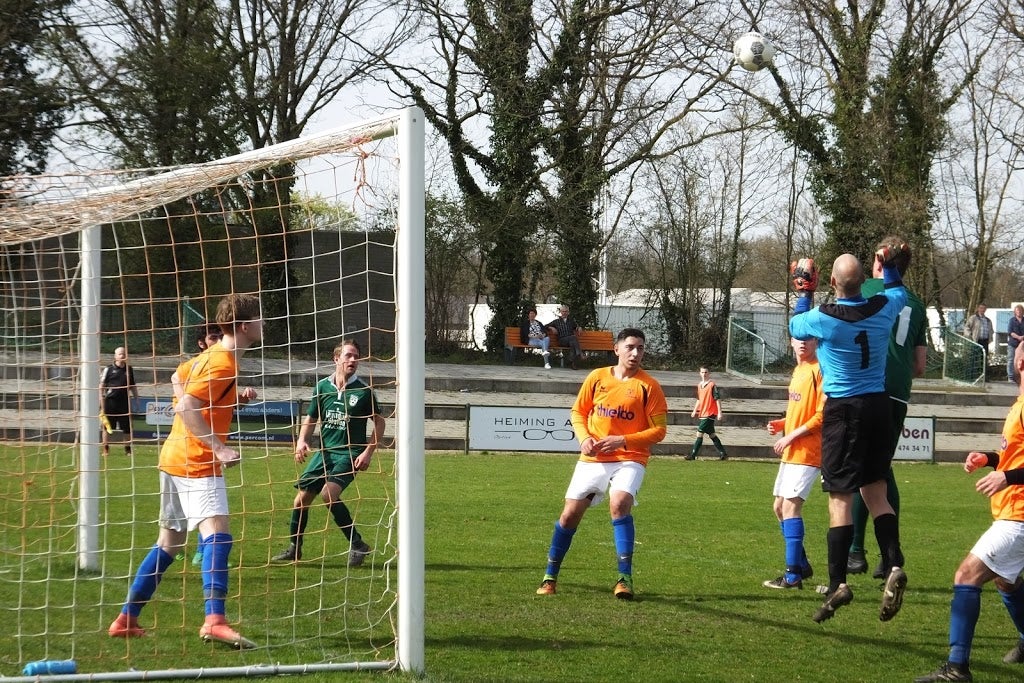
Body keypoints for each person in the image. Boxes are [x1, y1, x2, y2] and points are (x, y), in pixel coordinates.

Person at [107, 293, 262, 649]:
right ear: (244, 326)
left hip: (173, 458)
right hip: (196, 461)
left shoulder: (212, 357)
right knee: (218, 535)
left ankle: (125, 619)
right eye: (259, 318)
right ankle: (214, 621)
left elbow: (178, 379)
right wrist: (219, 447)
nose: (263, 323)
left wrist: (231, 399)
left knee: (169, 543)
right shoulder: (222, 362)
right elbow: (187, 405)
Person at [788, 248, 909, 624]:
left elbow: (796, 327)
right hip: (879, 406)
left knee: (840, 498)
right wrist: (890, 266)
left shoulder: (824, 317)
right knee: (876, 492)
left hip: (843, 410)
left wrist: (804, 290)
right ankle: (893, 563)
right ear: (864, 281)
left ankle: (838, 583)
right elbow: (898, 292)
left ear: (832, 282)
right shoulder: (883, 307)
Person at [915, 342, 1024, 683]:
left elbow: (1016, 469)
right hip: (1012, 511)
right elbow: (1016, 455)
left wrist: (1007, 477)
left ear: (1020, 363)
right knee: (1006, 581)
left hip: (1019, 515)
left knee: (966, 576)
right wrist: (990, 459)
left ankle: (957, 667)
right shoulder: (1019, 403)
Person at [535, 327, 668, 600]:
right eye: (630, 347)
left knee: (619, 503)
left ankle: (624, 579)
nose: (635, 353)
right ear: (616, 349)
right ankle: (550, 577)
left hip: (630, 457)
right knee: (569, 515)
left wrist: (623, 440)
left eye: (640, 348)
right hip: (594, 457)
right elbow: (578, 412)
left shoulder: (649, 386)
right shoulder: (596, 378)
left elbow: (659, 431)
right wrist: (584, 438)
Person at [847, 237, 928, 579]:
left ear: (878, 260)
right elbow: (920, 365)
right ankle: (888, 553)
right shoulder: (917, 304)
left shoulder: (865, 288)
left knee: (861, 469)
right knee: (881, 468)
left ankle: (856, 550)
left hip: (866, 387)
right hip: (898, 393)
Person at [271, 339, 384, 567]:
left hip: (350, 453)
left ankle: (357, 544)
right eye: (348, 355)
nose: (353, 360)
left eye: (356, 356)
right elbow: (311, 418)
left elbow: (380, 423)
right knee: (301, 500)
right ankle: (294, 548)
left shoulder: (363, 391)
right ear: (336, 359)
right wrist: (302, 441)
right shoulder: (322, 387)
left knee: (328, 494)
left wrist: (368, 453)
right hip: (325, 453)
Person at [762, 335, 824, 590]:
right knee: (779, 507)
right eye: (799, 338)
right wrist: (781, 425)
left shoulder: (820, 370)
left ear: (817, 342)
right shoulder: (799, 370)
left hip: (809, 451)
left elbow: (822, 415)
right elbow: (798, 413)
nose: (803, 342)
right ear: (790, 341)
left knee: (790, 508)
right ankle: (801, 565)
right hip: (793, 451)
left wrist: (790, 436)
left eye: (809, 338)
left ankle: (792, 575)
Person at [171, 323, 224, 568]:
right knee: (180, 521)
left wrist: (241, 399)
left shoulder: (222, 367)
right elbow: (182, 396)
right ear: (202, 343)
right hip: (184, 451)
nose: (218, 341)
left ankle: (201, 553)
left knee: (211, 514)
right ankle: (179, 548)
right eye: (213, 337)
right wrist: (185, 399)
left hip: (204, 453)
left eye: (220, 336)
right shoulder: (191, 368)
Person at [99, 347, 139, 456]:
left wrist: (136, 398)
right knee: (107, 427)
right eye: (120, 354)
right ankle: (106, 449)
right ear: (115, 356)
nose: (122, 356)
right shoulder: (108, 369)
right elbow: (101, 386)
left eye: (124, 354)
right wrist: (101, 401)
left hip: (124, 402)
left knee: (127, 428)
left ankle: (128, 450)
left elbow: (133, 386)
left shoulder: (129, 369)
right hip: (110, 402)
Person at [686, 366, 727, 460]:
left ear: (709, 374)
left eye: (706, 372)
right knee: (712, 435)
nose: (704, 374)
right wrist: (695, 410)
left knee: (699, 433)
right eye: (702, 372)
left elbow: (717, 399)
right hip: (703, 412)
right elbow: (699, 399)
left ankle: (693, 455)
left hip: (710, 413)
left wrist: (720, 412)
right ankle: (723, 454)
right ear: (700, 373)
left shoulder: (712, 385)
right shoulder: (699, 385)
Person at [546, 304, 583, 370]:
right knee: (573, 338)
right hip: (561, 341)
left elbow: (576, 327)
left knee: (572, 344)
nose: (564, 313)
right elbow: (544, 326)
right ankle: (580, 354)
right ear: (561, 312)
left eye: (566, 311)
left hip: (571, 341)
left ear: (568, 312)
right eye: (563, 311)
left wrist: (579, 328)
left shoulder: (571, 321)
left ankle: (572, 363)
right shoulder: (556, 321)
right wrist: (551, 327)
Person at [964, 303, 992, 379]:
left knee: (984, 359)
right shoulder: (973, 318)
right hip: (976, 341)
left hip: (985, 341)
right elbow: (966, 327)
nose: (982, 310)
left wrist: (990, 338)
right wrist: (970, 336)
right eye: (981, 308)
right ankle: (972, 376)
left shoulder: (988, 320)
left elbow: (991, 330)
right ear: (978, 309)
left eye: (984, 308)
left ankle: (984, 377)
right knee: (974, 358)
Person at [1007, 304, 1024, 383]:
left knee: (1022, 360)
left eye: (1020, 311)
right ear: (1015, 312)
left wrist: (1022, 337)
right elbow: (1010, 332)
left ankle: (1021, 376)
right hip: (1013, 343)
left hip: (1023, 344)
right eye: (1017, 311)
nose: (1019, 312)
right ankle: (1010, 377)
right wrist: (1018, 337)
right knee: (1011, 360)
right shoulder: (1012, 320)